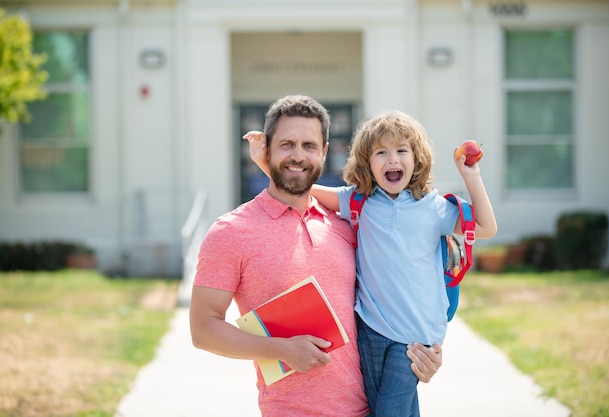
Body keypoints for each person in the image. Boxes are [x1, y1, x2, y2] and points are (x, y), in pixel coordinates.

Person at [189, 96, 443, 417]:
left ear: (324, 152)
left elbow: (402, 288)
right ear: (266, 150)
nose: (298, 155)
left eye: (309, 146)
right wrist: (280, 350)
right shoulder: (231, 232)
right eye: (287, 144)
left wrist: (422, 355)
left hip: (369, 408)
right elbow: (203, 329)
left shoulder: (348, 225)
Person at [244, 109, 498, 416]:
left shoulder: (433, 208)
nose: (392, 159)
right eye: (381, 152)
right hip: (371, 329)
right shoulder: (358, 201)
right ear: (367, 163)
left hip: (414, 338)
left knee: (391, 410)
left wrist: (472, 176)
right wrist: (265, 163)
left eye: (402, 150)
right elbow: (303, 188)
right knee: (385, 409)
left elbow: (485, 227)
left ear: (416, 158)